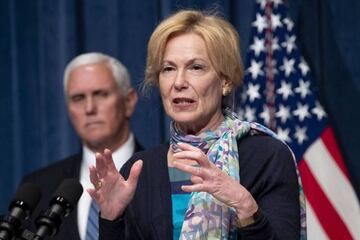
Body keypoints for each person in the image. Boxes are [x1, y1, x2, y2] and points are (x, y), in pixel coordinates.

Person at [88, 10, 306, 240]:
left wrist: (243, 204)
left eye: (196, 67)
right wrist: (111, 220)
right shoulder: (141, 170)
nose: (179, 82)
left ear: (225, 81)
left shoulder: (267, 156)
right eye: (168, 69)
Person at [21, 52, 143, 240]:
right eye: (78, 98)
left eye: (101, 94)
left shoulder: (160, 174)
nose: (89, 108)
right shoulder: (39, 187)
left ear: (129, 101)